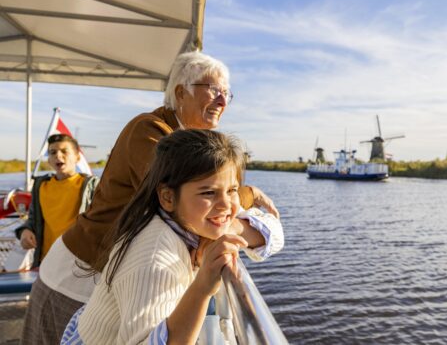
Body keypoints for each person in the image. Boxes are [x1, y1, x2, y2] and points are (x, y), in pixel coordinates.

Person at [20, 51, 281, 345]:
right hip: (75, 280)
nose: (222, 101)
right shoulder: (150, 130)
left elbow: (198, 213)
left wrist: (221, 224)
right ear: (180, 92)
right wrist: (245, 196)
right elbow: (174, 201)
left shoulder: (185, 147)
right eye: (214, 90)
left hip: (114, 286)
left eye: (227, 94)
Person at [62, 129, 283, 344]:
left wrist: (227, 227)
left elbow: (276, 235)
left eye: (233, 190)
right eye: (208, 192)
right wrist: (203, 287)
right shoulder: (155, 259)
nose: (226, 204)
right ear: (168, 197)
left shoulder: (181, 219)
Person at [14, 134, 98, 268]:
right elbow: (33, 220)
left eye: (64, 151)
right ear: (49, 160)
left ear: (77, 157)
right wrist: (24, 231)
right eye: (52, 152)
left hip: (79, 264)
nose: (58, 156)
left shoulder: (91, 185)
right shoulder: (40, 186)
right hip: (46, 263)